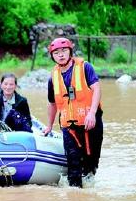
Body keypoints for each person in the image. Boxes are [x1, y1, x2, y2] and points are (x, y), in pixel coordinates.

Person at [43, 37, 103, 188]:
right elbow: (52, 103)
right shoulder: (53, 78)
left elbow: (96, 88)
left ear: (70, 51)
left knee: (90, 164)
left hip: (90, 122)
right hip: (69, 126)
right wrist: (49, 126)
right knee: (73, 164)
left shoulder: (85, 67)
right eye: (56, 52)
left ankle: (89, 196)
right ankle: (74, 197)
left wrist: (92, 114)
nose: (61, 55)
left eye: (64, 51)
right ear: (52, 56)